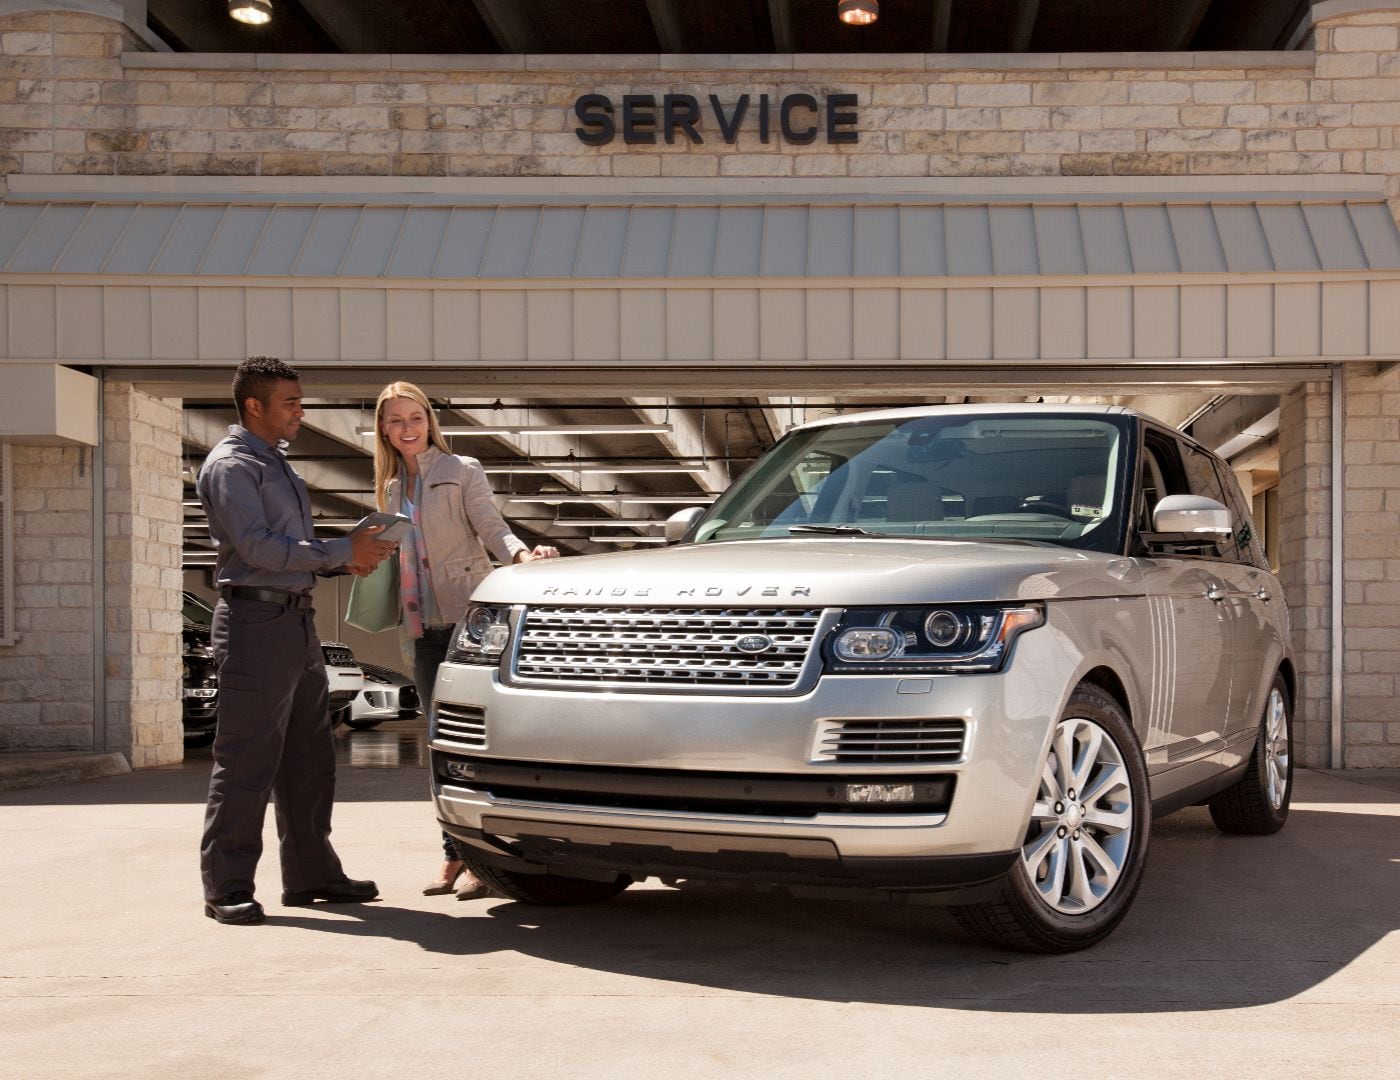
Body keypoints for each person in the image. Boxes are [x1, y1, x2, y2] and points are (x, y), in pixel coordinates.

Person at [198, 356, 397, 925]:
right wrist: (342, 551)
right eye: (290, 402)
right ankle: (227, 886)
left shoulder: (275, 463)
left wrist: (346, 556)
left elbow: (290, 548)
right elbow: (258, 548)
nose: (300, 412)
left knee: (309, 757)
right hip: (255, 625)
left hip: (295, 621)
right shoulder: (232, 466)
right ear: (254, 405)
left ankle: (310, 874)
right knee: (246, 760)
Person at [368, 381, 558, 900]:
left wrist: (521, 556)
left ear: (429, 421)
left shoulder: (460, 469)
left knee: (474, 743)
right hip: (421, 630)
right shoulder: (389, 488)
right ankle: (454, 853)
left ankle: (482, 859)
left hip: (466, 623)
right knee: (440, 747)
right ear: (383, 428)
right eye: (395, 420)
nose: (407, 428)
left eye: (415, 418)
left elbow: (491, 526)